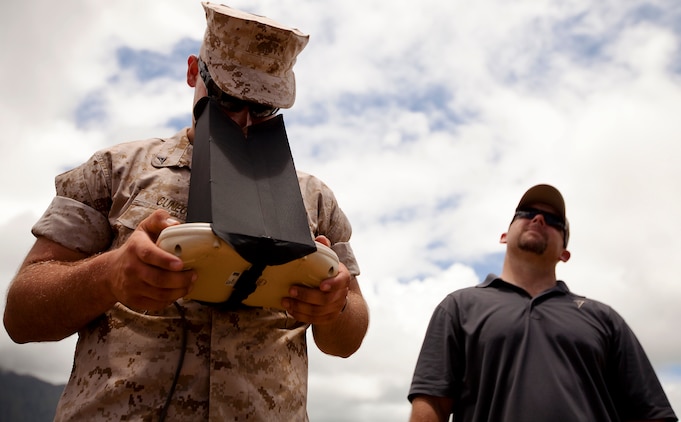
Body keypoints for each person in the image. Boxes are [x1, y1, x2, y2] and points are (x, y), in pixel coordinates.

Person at [3, 3, 368, 421]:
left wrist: (334, 307)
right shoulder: (114, 171)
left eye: (264, 109)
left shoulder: (315, 199)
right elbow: (21, 315)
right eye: (228, 100)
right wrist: (110, 275)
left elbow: (347, 337)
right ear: (194, 72)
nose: (245, 122)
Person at [408, 184, 677, 422]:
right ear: (504, 235)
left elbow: (649, 413)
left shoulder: (604, 319)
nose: (538, 219)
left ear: (565, 253)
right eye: (526, 214)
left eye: (553, 220)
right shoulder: (458, 307)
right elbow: (432, 404)